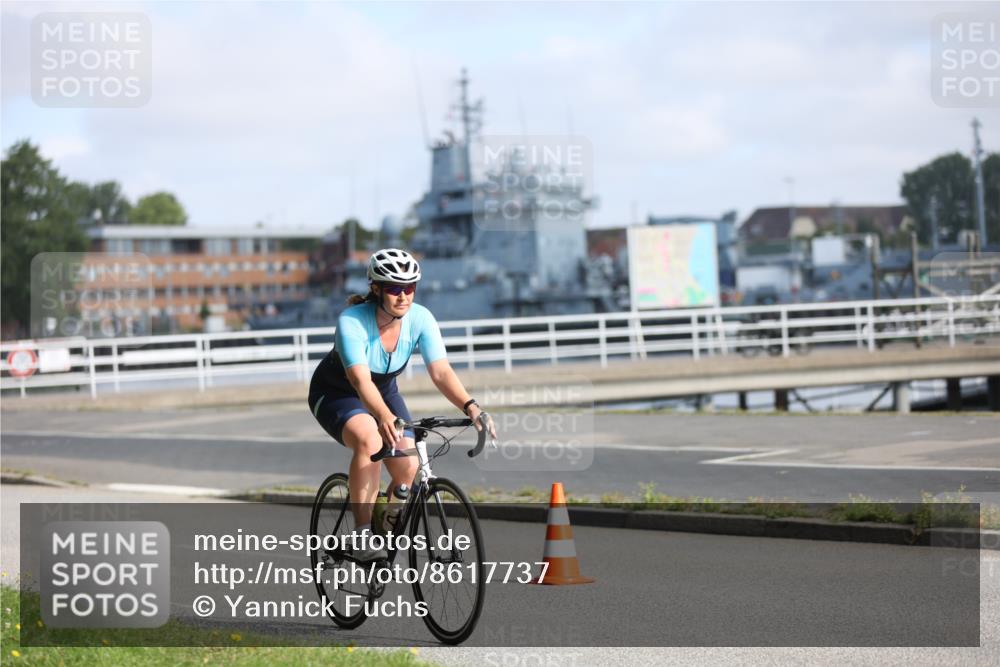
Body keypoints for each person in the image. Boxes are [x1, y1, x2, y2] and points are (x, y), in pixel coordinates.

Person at [308, 248, 496, 561]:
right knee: (370, 440)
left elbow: (440, 371)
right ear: (376, 289)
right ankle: (363, 535)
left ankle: (384, 532)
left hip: (384, 390)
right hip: (337, 392)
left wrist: (471, 406)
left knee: (408, 466)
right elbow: (360, 382)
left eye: (410, 288)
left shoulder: (420, 318)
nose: (403, 296)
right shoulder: (352, 321)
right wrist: (383, 416)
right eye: (395, 289)